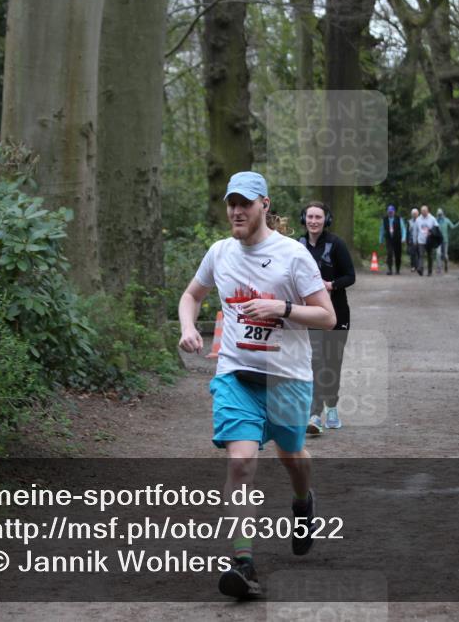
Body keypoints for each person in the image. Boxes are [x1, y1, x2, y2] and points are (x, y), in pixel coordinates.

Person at [177, 171, 336, 599]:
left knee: (291, 456)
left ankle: (304, 503)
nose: (236, 211)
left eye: (245, 203)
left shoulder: (293, 256)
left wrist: (281, 307)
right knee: (240, 464)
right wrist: (188, 327)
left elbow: (327, 317)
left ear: (264, 205)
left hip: (287, 378)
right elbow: (191, 295)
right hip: (236, 376)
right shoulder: (219, 252)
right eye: (231, 203)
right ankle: (243, 564)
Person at [299, 201, 355, 435]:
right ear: (304, 219)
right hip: (311, 315)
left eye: (318, 217)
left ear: (326, 220)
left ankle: (332, 407)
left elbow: (350, 276)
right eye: (310, 217)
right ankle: (314, 414)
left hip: (338, 314)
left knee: (333, 362)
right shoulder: (297, 246)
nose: (313, 221)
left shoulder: (337, 244)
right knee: (316, 362)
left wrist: (330, 285)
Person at [379, 205, 406, 275]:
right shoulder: (384, 219)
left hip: (397, 239)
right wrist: (381, 241)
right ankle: (390, 269)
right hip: (389, 239)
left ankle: (397, 269)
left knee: (398, 255)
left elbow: (403, 229)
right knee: (389, 253)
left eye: (391, 212)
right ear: (387, 212)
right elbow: (381, 230)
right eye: (389, 212)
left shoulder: (399, 218)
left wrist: (403, 238)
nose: (390, 213)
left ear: (394, 212)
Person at [435, 208, 459, 274]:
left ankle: (446, 265)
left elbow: (452, 227)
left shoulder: (447, 220)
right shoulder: (435, 221)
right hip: (437, 240)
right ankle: (439, 269)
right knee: (438, 254)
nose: (440, 215)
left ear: (443, 214)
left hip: (445, 240)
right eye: (438, 214)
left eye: (440, 214)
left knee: (445, 255)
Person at [415, 205, 439, 277]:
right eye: (422, 211)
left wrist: (432, 232)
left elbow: (437, 227)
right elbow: (416, 230)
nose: (423, 212)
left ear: (428, 211)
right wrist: (415, 239)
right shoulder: (418, 219)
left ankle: (429, 271)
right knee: (421, 255)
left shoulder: (432, 218)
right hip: (421, 240)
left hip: (429, 240)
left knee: (429, 256)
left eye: (425, 211)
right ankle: (420, 269)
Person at [407, 208, 420, 273]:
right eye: (413, 214)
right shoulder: (409, 221)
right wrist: (407, 240)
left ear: (418, 214)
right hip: (411, 240)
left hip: (419, 239)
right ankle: (413, 266)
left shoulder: (420, 221)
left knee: (418, 253)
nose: (414, 215)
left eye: (415, 214)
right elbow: (408, 232)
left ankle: (418, 266)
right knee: (412, 254)